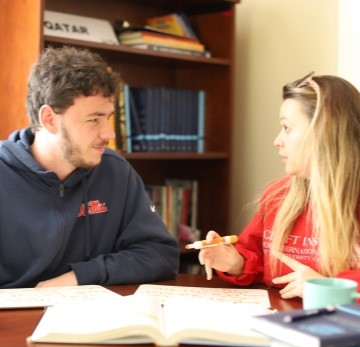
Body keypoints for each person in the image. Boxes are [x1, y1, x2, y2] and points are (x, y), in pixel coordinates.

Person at [0, 46, 179, 288]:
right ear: (49, 119)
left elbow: (161, 255)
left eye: (108, 117)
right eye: (94, 119)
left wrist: (79, 277)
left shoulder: (115, 171)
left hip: (88, 317)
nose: (109, 133)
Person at [199, 72, 360, 299]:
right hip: (280, 320)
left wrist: (326, 286)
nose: (277, 141)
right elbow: (256, 259)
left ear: (324, 132)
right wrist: (235, 262)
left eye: (287, 128)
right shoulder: (278, 195)